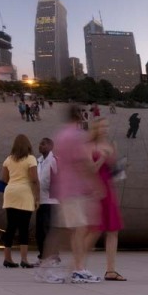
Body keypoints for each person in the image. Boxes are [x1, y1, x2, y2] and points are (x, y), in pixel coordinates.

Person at [50, 105, 104, 283]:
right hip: (74, 189)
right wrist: (96, 184)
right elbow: (83, 163)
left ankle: (76, 268)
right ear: (79, 116)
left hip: (66, 188)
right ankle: (76, 269)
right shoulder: (75, 136)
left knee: (74, 230)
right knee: (79, 230)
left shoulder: (61, 135)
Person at [87, 118, 126, 281]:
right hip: (95, 190)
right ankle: (79, 266)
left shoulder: (109, 145)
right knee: (93, 230)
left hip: (108, 190)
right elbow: (90, 171)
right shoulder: (89, 146)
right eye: (101, 126)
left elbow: (114, 170)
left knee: (112, 230)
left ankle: (111, 269)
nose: (105, 129)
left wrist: (115, 158)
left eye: (106, 126)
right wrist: (102, 158)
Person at [1, 134, 39, 268]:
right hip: (24, 193)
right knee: (24, 227)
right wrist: (37, 197)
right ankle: (24, 259)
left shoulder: (8, 159)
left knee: (10, 226)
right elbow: (34, 179)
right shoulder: (31, 159)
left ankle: (7, 258)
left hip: (10, 192)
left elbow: (4, 179)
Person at [35, 138, 59, 263]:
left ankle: (53, 255)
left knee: (49, 229)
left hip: (51, 200)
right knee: (40, 231)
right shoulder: (39, 161)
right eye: (40, 143)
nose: (40, 146)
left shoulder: (54, 160)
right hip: (40, 200)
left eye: (43, 144)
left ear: (50, 146)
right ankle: (43, 255)